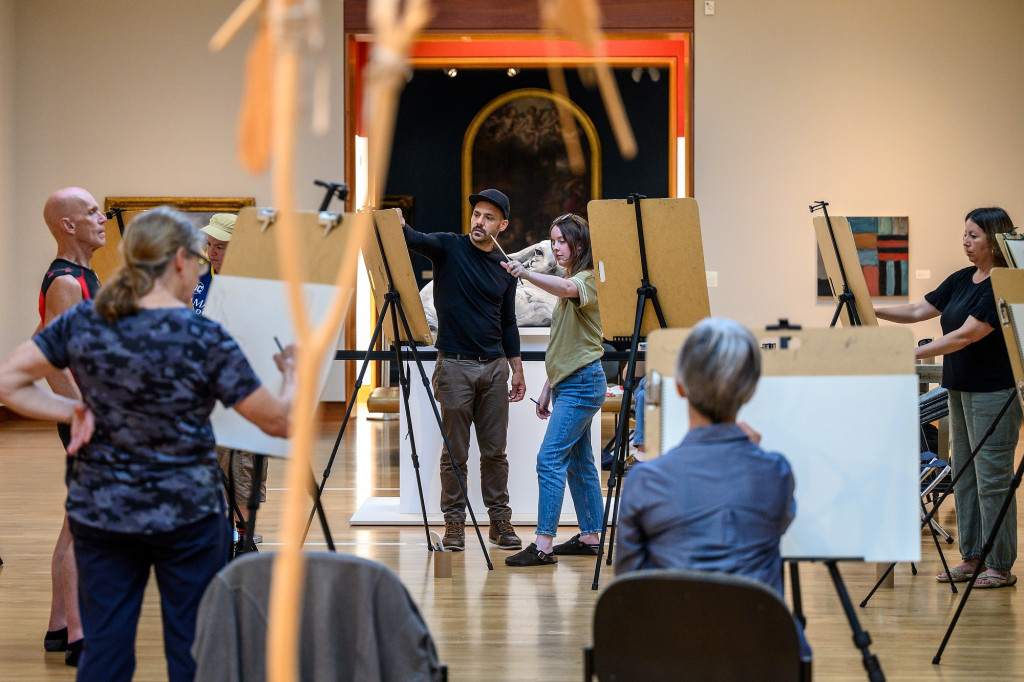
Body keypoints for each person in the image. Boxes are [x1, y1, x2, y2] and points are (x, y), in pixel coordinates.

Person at [0, 207, 296, 681]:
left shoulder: (87, 322)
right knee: (192, 651)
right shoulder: (204, 335)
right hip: (189, 515)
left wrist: (74, 409)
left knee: (105, 653)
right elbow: (280, 422)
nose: (201, 268)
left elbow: (8, 381)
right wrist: (291, 377)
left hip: (103, 512)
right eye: (198, 259)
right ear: (179, 260)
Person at [875, 207, 1022, 589]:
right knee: (965, 475)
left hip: (995, 392)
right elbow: (919, 309)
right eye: (965, 234)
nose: (965, 241)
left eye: (973, 235)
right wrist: (872, 309)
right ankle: (972, 557)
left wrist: (906, 353)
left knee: (991, 479)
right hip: (959, 388)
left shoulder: (1003, 283)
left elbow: (966, 335)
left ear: (994, 239)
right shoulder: (961, 279)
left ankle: (999, 564)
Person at [614, 318, 795, 596]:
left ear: (680, 387)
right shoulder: (775, 473)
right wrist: (755, 455)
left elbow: (630, 586)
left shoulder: (644, 480)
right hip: (757, 634)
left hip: (672, 634)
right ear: (749, 393)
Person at [400, 189, 526, 551]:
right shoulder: (448, 246)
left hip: (495, 368)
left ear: (501, 225)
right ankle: (454, 524)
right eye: (476, 215)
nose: (479, 222)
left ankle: (499, 522)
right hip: (455, 365)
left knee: (495, 452)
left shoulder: (505, 269)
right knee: (454, 453)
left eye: (488, 217)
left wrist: (516, 369)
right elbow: (412, 239)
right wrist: (392, 220)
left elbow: (508, 323)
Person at [502, 213, 607, 566]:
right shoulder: (571, 279)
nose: (556, 247)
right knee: (580, 463)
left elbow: (565, 289)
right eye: (553, 240)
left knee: (549, 459)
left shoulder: (588, 280)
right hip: (570, 383)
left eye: (562, 241)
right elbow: (568, 344)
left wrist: (526, 273)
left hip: (583, 384)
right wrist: (548, 387)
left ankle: (543, 545)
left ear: (579, 244)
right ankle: (591, 535)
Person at [37, 186, 107, 665]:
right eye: (91, 212)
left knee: (72, 524)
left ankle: (59, 625)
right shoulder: (65, 282)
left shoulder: (86, 274)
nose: (101, 217)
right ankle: (81, 638)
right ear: (68, 225)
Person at [191, 213, 268, 551]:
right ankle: (222, 537)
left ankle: (243, 538)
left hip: (244, 397)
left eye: (220, 247)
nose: (213, 254)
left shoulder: (256, 289)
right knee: (211, 473)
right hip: (205, 400)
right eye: (209, 246)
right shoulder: (200, 284)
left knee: (244, 473)